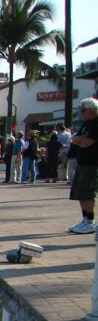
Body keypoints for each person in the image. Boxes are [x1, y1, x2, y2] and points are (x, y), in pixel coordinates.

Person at [68, 97, 98, 234]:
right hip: (82, 162)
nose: (82, 112)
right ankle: (85, 219)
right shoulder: (86, 124)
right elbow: (74, 139)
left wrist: (79, 140)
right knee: (80, 193)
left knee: (88, 193)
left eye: (84, 110)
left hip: (92, 164)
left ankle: (90, 221)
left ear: (92, 110)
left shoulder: (96, 124)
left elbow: (86, 143)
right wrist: (80, 140)